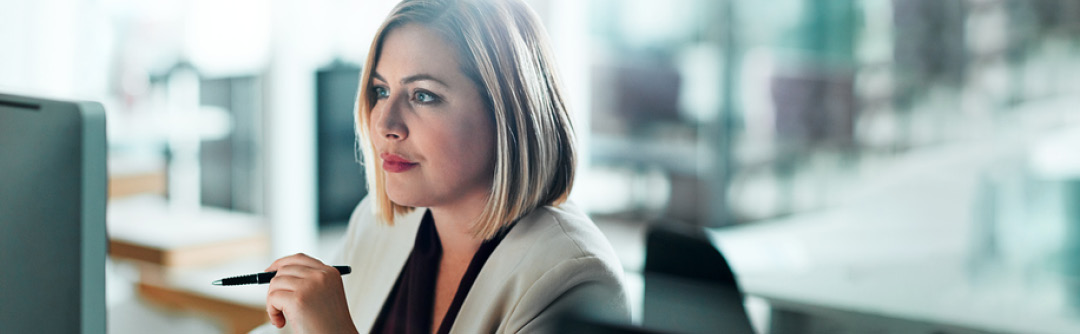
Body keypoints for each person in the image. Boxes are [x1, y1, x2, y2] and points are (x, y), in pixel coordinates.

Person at [251, 0, 629, 332]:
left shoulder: (572, 278)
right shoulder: (377, 223)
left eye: (423, 95)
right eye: (381, 91)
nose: (384, 124)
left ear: (507, 113)